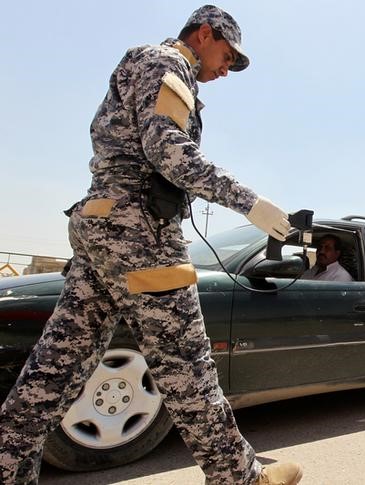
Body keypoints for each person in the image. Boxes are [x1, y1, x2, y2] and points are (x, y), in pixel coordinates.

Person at [0, 5, 302, 485]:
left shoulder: (146, 64)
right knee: (186, 364)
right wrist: (250, 203)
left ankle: (7, 467)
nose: (227, 69)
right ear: (204, 34)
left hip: (101, 223)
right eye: (227, 55)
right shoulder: (166, 63)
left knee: (57, 366)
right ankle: (239, 478)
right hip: (137, 231)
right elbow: (169, 151)